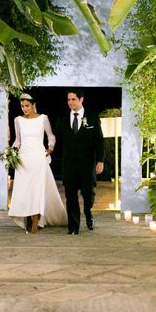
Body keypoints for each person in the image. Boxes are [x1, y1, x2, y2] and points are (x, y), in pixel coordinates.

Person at [8, 93, 67, 233]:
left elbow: (50, 135)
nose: (24, 109)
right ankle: (27, 219)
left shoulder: (43, 118)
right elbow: (18, 140)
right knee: (24, 191)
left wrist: (51, 147)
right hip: (23, 159)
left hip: (39, 157)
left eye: (27, 106)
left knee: (37, 190)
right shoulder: (18, 120)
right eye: (22, 106)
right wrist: (11, 152)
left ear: (33, 105)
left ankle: (36, 221)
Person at [55, 89, 104, 234]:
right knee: (70, 196)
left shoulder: (93, 117)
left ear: (81, 100)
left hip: (87, 164)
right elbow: (57, 139)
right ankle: (73, 227)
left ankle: (88, 213)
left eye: (73, 99)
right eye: (68, 100)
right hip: (69, 164)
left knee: (88, 194)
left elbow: (99, 141)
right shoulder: (63, 117)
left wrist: (100, 160)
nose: (70, 103)